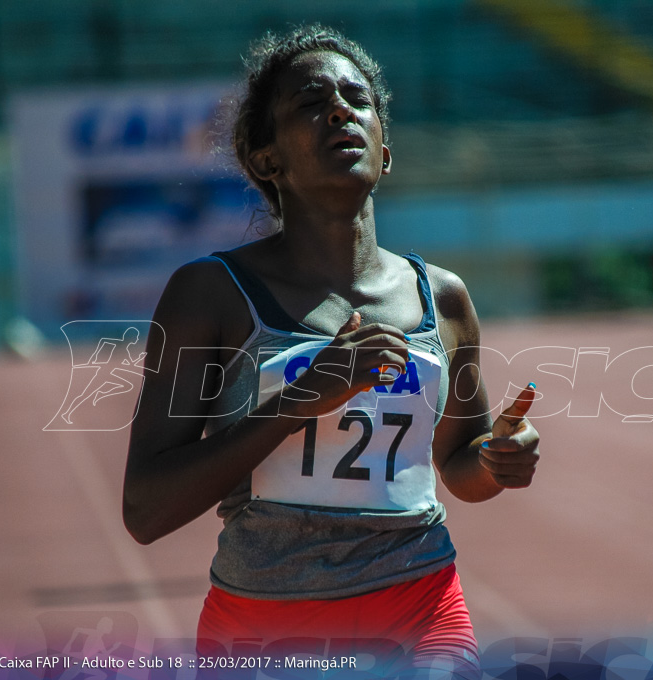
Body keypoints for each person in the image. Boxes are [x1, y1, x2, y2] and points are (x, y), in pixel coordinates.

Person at [122, 25, 540, 678]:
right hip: (264, 623)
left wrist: (497, 459)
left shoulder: (444, 299)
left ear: (386, 150)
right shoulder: (212, 294)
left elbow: (459, 465)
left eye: (357, 98)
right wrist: (298, 402)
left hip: (420, 604)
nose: (341, 110)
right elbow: (145, 510)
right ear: (267, 160)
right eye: (312, 101)